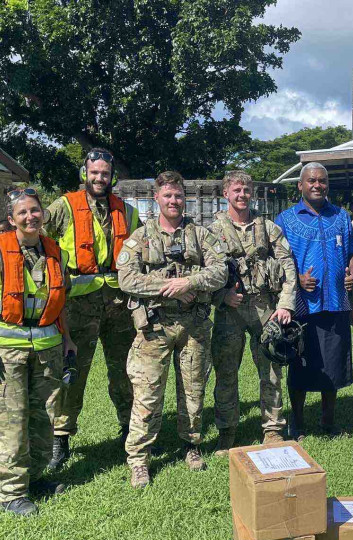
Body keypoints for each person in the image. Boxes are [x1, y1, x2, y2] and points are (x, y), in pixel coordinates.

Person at [117, 171, 227, 488]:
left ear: (185, 198)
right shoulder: (141, 237)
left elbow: (220, 271)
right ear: (157, 199)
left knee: (193, 391)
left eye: (178, 195)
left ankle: (191, 445)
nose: (174, 201)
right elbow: (127, 279)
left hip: (193, 324)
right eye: (167, 196)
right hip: (154, 326)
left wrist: (189, 282)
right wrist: (171, 286)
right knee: (148, 395)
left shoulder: (200, 235)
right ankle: (139, 460)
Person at [44, 148, 140, 470]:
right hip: (78, 307)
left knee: (125, 371)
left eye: (105, 173)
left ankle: (129, 432)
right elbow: (37, 238)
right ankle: (61, 439)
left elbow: (142, 250)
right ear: (84, 173)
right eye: (94, 172)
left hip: (119, 306)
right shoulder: (64, 206)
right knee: (73, 374)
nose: (100, 178)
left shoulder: (127, 211)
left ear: (113, 176)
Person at [209, 171, 297, 455]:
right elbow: (201, 272)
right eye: (236, 190)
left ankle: (272, 428)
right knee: (226, 373)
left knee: (271, 370)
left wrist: (285, 305)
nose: (242, 195)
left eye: (247, 190)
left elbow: (288, 267)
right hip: (229, 311)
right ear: (226, 194)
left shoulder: (269, 229)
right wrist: (222, 296)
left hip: (265, 308)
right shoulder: (211, 231)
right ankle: (227, 431)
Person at [0, 188, 76, 516]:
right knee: (13, 422)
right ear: (11, 219)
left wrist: (68, 340)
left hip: (48, 351)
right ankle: (11, 492)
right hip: (9, 353)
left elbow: (60, 302)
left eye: (35, 210)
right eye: (23, 213)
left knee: (42, 418)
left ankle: (34, 479)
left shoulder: (54, 251)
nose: (30, 217)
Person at [275, 162, 353, 438]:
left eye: (322, 181)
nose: (317, 185)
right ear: (301, 185)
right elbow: (275, 260)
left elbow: (352, 250)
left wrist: (352, 272)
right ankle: (297, 423)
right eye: (311, 181)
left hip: (335, 302)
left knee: (333, 364)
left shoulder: (341, 217)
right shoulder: (285, 219)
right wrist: (297, 279)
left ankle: (328, 421)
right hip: (301, 307)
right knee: (300, 365)